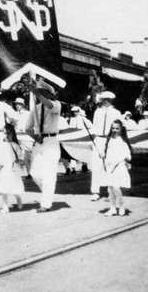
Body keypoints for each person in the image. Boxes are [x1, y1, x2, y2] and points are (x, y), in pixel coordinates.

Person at [24, 79, 62, 213]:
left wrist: (36, 93)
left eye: (42, 93)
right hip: (39, 142)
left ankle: (46, 204)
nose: (39, 95)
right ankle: (47, 193)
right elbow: (27, 128)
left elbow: (50, 106)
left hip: (51, 142)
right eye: (38, 93)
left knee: (49, 175)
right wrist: (35, 137)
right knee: (34, 173)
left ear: (49, 94)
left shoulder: (56, 105)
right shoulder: (36, 108)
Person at [90, 91, 122, 201]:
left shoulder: (116, 113)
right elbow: (94, 126)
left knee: (110, 165)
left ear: (112, 100)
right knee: (96, 165)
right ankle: (95, 191)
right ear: (102, 100)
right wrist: (93, 140)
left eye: (109, 99)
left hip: (110, 140)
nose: (106, 101)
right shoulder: (97, 112)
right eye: (105, 99)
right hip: (98, 140)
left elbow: (119, 128)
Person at [0, 123, 24, 214]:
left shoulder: (15, 145)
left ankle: (18, 198)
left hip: (13, 169)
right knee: (3, 188)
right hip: (3, 169)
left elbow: (21, 158)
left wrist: (19, 161)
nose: (6, 135)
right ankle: (5, 206)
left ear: (12, 134)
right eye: (4, 133)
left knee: (14, 187)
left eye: (8, 133)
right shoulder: (0, 145)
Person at [102, 119, 132, 216]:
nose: (115, 130)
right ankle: (112, 208)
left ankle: (121, 206)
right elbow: (106, 152)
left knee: (116, 187)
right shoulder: (109, 139)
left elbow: (128, 155)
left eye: (117, 128)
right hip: (109, 166)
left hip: (119, 166)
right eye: (113, 128)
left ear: (121, 129)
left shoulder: (122, 141)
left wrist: (126, 157)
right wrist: (102, 154)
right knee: (110, 188)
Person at [68, 106, 91, 173]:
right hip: (74, 137)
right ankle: (73, 168)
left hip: (82, 137)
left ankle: (84, 165)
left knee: (83, 151)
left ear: (79, 111)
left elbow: (90, 125)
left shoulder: (83, 118)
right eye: (74, 111)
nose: (75, 113)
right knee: (73, 152)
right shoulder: (71, 119)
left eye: (76, 111)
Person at [13, 97, 32, 179]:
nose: (17, 105)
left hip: (27, 137)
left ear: (23, 105)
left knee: (28, 156)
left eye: (19, 104)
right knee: (17, 155)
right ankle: (24, 173)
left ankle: (32, 173)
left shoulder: (28, 114)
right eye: (16, 104)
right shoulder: (14, 114)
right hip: (17, 136)